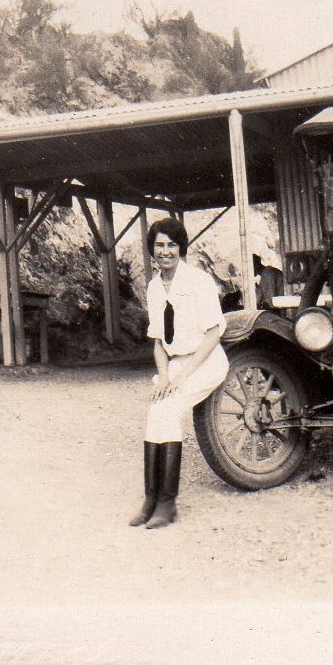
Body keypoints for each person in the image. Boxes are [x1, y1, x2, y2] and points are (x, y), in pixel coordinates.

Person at [129, 217, 230, 529]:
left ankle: (168, 503)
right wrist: (164, 376)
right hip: (174, 365)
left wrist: (183, 375)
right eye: (159, 245)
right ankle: (150, 498)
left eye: (171, 245)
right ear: (152, 250)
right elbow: (158, 342)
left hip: (205, 360)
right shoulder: (154, 287)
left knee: (170, 411)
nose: (165, 251)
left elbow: (214, 333)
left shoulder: (198, 281)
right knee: (155, 410)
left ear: (181, 248)